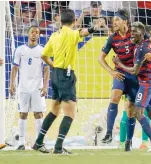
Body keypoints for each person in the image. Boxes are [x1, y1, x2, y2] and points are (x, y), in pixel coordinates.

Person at [32, 9, 104, 154]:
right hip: (66, 75)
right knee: (70, 113)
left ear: (61, 20)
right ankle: (58, 147)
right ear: (73, 21)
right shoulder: (71, 34)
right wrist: (95, 27)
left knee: (54, 111)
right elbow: (83, 32)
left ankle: (38, 142)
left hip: (56, 74)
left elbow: (44, 55)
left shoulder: (54, 35)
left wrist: (54, 66)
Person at [98, 9, 151, 144]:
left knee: (131, 110)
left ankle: (130, 141)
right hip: (121, 73)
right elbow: (100, 58)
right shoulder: (112, 38)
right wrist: (112, 71)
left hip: (136, 74)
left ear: (125, 21)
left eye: (116, 20)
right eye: (113, 20)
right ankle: (109, 133)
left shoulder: (135, 32)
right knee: (115, 96)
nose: (113, 22)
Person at [113, 22, 151, 152]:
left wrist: (119, 64)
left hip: (147, 81)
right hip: (150, 80)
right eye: (131, 31)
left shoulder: (142, 48)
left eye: (135, 31)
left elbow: (135, 71)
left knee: (137, 112)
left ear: (142, 33)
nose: (132, 34)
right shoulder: (140, 44)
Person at [9, 26, 50, 150]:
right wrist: (12, 84)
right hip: (23, 87)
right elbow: (15, 68)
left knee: (38, 113)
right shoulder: (20, 50)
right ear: (28, 34)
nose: (34, 34)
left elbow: (47, 69)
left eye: (37, 33)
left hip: (38, 87)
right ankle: (21, 142)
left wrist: (46, 86)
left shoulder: (43, 51)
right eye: (32, 32)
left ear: (38, 35)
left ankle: (39, 142)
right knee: (23, 114)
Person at [119, 25, 151, 149]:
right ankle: (125, 142)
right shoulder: (131, 41)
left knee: (144, 111)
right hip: (132, 80)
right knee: (129, 110)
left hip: (144, 80)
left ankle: (147, 142)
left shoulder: (145, 47)